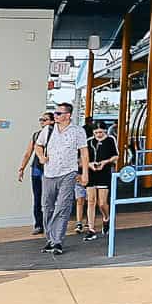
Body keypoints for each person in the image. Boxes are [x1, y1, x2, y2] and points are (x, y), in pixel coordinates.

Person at [37, 102, 89, 255]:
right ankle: (50, 239)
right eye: (55, 113)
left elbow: (84, 153)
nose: (55, 115)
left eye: (59, 113)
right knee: (47, 207)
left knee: (63, 207)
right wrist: (41, 157)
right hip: (49, 173)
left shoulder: (78, 131)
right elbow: (38, 145)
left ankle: (57, 241)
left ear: (68, 115)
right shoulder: (48, 129)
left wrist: (85, 173)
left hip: (68, 173)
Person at [15, 111, 52, 234]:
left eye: (45, 119)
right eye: (41, 119)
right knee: (37, 197)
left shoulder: (57, 135)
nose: (42, 122)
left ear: (52, 121)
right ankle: (38, 225)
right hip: (37, 168)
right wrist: (21, 168)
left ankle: (50, 224)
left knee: (50, 198)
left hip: (51, 168)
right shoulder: (36, 135)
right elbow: (28, 153)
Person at [86, 122, 118, 236]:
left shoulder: (110, 140)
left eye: (101, 132)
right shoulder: (89, 141)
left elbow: (115, 156)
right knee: (91, 201)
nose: (98, 135)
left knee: (102, 203)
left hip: (104, 173)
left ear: (105, 131)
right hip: (91, 173)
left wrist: (106, 162)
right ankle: (91, 228)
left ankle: (106, 217)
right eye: (96, 132)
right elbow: (83, 158)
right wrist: (89, 164)